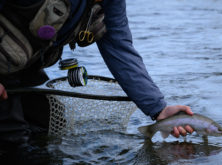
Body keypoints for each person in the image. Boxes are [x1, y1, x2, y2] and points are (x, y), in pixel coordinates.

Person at [0, 0, 193, 146]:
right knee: (13, 137)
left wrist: (159, 109)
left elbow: (119, 47)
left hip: (24, 65)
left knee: (45, 124)